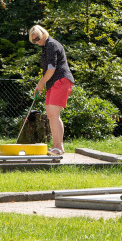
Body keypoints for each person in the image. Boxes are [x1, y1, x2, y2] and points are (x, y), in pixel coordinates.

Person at [29, 25, 74, 155]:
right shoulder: (45, 47)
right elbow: (47, 71)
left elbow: (51, 68)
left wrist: (42, 83)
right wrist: (40, 84)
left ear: (43, 33)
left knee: (54, 114)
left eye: (37, 38)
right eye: (34, 40)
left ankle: (59, 147)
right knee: (50, 114)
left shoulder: (51, 45)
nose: (37, 41)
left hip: (61, 80)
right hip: (53, 82)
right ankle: (56, 146)